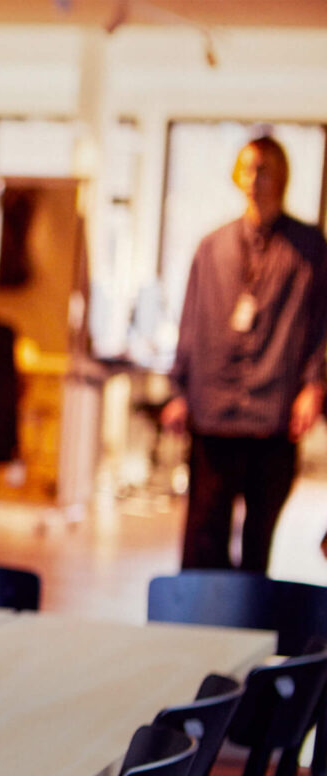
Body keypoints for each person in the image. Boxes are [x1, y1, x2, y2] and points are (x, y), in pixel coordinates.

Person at [162, 135, 327, 573]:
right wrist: (178, 390)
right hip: (213, 413)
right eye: (248, 168)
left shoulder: (310, 251)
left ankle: (251, 626)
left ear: (284, 176)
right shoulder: (211, 247)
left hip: (272, 418)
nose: (255, 180)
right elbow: (191, 323)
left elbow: (321, 326)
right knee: (203, 536)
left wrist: (315, 385)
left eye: (265, 169)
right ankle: (200, 627)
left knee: (259, 542)